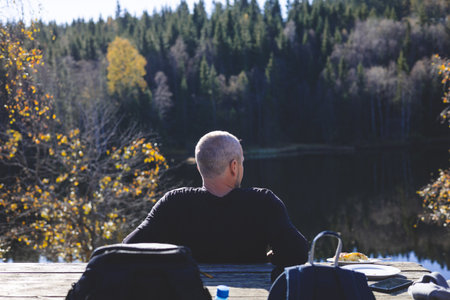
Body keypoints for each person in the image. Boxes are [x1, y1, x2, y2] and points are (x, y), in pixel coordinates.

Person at [123, 131, 308, 278]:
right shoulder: (263, 202)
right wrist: (268, 259)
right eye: (242, 163)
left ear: (199, 167)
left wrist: (173, 263)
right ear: (234, 166)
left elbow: (128, 248)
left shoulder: (173, 203)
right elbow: (298, 253)